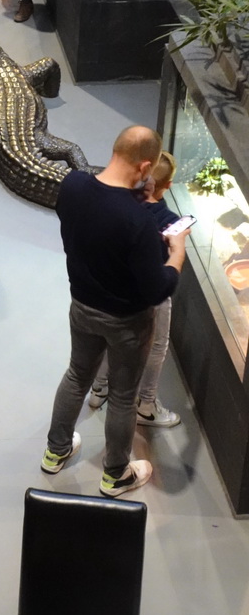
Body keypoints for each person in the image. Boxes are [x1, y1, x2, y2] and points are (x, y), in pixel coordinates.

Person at [40, 126, 188, 498]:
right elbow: (158, 288)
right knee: (123, 396)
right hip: (127, 322)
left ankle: (55, 451)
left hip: (82, 305)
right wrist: (176, 254)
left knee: (77, 375)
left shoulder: (72, 185)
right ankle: (115, 475)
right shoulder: (138, 221)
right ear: (144, 166)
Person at [88, 151, 182, 428]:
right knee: (157, 345)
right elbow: (169, 262)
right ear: (169, 185)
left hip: (117, 285)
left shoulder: (123, 203)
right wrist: (178, 247)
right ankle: (147, 404)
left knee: (110, 339)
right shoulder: (169, 219)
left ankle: (98, 388)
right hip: (153, 292)